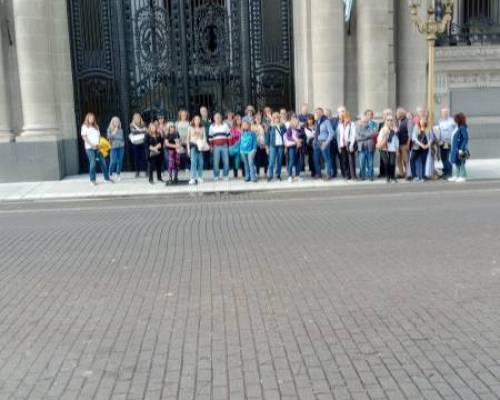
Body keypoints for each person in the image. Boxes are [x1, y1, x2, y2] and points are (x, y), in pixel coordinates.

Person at [81, 113, 111, 185]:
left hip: (98, 147)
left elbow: (99, 137)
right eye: (90, 118)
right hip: (90, 148)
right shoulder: (84, 126)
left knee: (103, 163)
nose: (92, 119)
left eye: (93, 118)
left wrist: (100, 145)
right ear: (87, 118)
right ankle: (92, 180)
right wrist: (92, 145)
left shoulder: (96, 126)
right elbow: (84, 137)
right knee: (93, 163)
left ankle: (106, 178)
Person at [313, 108, 335, 179]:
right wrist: (314, 140)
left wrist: (326, 143)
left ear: (322, 113)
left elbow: (331, 133)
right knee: (316, 159)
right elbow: (316, 132)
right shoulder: (317, 122)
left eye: (319, 112)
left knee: (327, 159)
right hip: (317, 143)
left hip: (324, 142)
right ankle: (318, 174)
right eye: (316, 112)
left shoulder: (326, 121)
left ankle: (329, 174)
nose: (317, 113)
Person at [208, 112, 231, 181]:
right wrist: (211, 146)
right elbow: (210, 138)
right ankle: (216, 175)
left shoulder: (225, 125)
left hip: (225, 146)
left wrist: (229, 145)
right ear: (214, 119)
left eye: (219, 117)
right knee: (216, 162)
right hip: (216, 146)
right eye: (216, 117)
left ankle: (226, 175)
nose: (217, 118)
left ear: (221, 118)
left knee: (226, 161)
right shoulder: (211, 126)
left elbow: (229, 136)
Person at [377, 115, 399, 183]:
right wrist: (385, 136)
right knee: (386, 162)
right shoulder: (383, 129)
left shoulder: (395, 130)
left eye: (391, 120)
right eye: (388, 120)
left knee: (392, 163)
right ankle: (387, 176)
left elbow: (396, 140)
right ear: (386, 121)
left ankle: (392, 176)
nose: (390, 121)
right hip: (384, 148)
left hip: (392, 148)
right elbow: (379, 139)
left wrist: (397, 149)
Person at [449, 112, 469, 183]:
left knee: (461, 162)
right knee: (456, 162)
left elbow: (465, 138)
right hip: (455, 148)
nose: (453, 120)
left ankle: (463, 176)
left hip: (460, 148)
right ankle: (456, 175)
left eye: (454, 119)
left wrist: (461, 148)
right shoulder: (458, 127)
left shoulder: (462, 127)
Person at [266, 112, 286, 182]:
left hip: (281, 145)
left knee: (279, 161)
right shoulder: (270, 126)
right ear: (273, 119)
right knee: (271, 161)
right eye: (275, 118)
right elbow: (267, 137)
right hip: (272, 145)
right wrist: (267, 147)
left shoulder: (282, 126)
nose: (276, 119)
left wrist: (285, 145)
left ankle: (278, 174)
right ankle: (270, 175)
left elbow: (286, 135)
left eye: (278, 118)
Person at [187, 115, 207, 185]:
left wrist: (203, 144)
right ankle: (192, 178)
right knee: (193, 162)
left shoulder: (202, 128)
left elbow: (204, 137)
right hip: (193, 146)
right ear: (193, 120)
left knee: (201, 162)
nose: (197, 121)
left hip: (200, 146)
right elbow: (188, 139)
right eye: (196, 119)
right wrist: (188, 149)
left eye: (198, 119)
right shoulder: (190, 128)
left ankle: (200, 177)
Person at [337, 110, 357, 180]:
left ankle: (353, 175)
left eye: (345, 116)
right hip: (342, 145)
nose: (344, 118)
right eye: (342, 117)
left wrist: (351, 145)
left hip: (349, 144)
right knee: (345, 160)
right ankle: (347, 175)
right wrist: (339, 145)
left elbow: (354, 135)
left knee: (351, 161)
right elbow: (339, 136)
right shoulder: (340, 125)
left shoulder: (352, 124)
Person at [437, 107, 456, 179]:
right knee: (443, 157)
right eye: (443, 113)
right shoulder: (440, 121)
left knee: (448, 158)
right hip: (442, 142)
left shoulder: (452, 121)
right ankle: (445, 171)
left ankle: (449, 173)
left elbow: (455, 131)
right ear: (441, 114)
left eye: (446, 112)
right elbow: (438, 131)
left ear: (448, 113)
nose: (444, 114)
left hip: (449, 142)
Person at [356, 114, 375, 181]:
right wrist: (367, 137)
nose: (365, 123)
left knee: (370, 163)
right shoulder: (358, 128)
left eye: (366, 121)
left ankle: (370, 176)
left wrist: (363, 136)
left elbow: (372, 134)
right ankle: (363, 176)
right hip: (362, 149)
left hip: (369, 148)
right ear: (361, 121)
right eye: (364, 121)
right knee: (362, 163)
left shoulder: (370, 127)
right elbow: (357, 138)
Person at [284, 116, 302, 182]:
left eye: (297, 122)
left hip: (298, 147)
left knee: (298, 161)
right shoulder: (289, 129)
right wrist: (296, 141)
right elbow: (288, 137)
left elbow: (302, 136)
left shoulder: (299, 129)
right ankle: (289, 176)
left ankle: (297, 175)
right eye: (296, 122)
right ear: (292, 122)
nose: (297, 123)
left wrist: (299, 140)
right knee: (291, 161)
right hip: (291, 147)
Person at [129, 113, 147, 178]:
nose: (137, 118)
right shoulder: (131, 124)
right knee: (136, 158)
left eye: (138, 117)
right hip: (135, 144)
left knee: (144, 157)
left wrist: (138, 130)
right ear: (133, 118)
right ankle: (137, 172)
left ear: (140, 118)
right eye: (135, 117)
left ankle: (146, 171)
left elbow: (146, 131)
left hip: (143, 143)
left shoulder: (143, 123)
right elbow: (133, 132)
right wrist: (141, 130)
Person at [107, 116, 125, 181]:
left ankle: (118, 174)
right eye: (115, 121)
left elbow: (122, 138)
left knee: (120, 161)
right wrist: (114, 131)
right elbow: (109, 137)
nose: (117, 123)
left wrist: (122, 143)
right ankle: (110, 174)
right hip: (113, 147)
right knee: (113, 161)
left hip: (121, 147)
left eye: (118, 121)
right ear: (112, 122)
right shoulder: (109, 129)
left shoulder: (121, 130)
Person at [396, 108, 410, 179]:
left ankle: (408, 173)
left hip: (404, 144)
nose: (396, 115)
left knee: (405, 160)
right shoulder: (398, 122)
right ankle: (401, 173)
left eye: (398, 113)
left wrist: (408, 144)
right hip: (398, 145)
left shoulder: (407, 121)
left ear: (402, 114)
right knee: (398, 159)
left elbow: (409, 134)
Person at [176, 109, 190, 173]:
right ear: (180, 115)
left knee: (187, 155)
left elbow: (190, 132)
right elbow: (175, 133)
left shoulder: (189, 123)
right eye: (182, 114)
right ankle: (179, 167)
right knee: (179, 155)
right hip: (179, 141)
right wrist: (178, 141)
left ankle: (187, 167)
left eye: (185, 114)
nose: (183, 115)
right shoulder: (177, 123)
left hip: (187, 141)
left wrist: (187, 140)